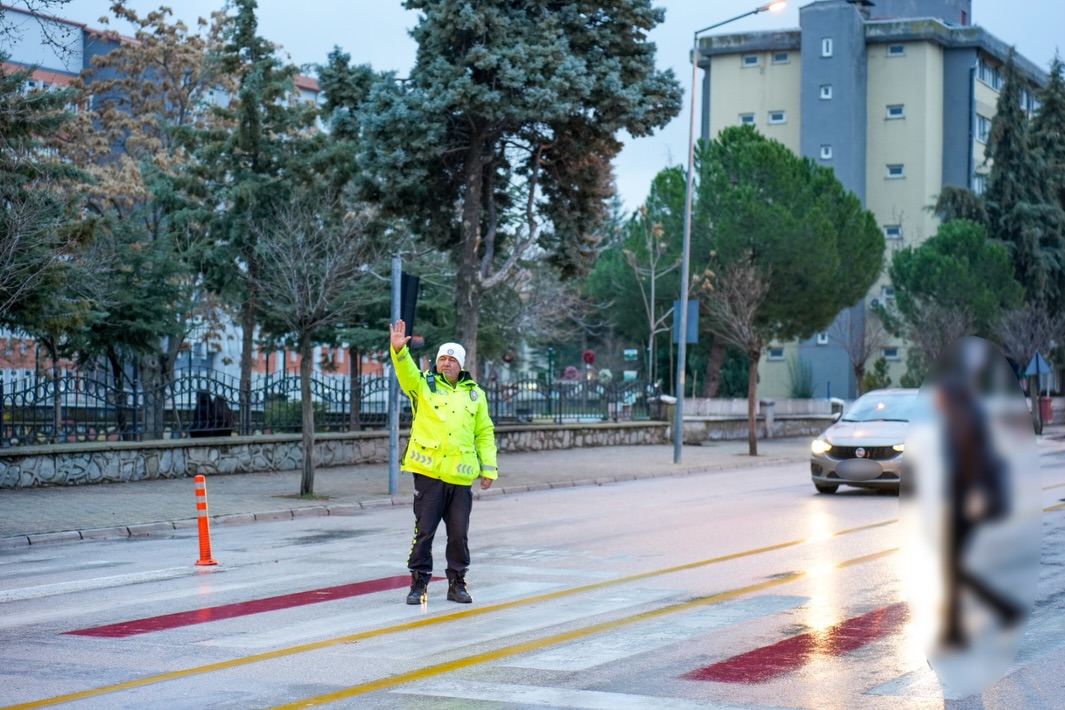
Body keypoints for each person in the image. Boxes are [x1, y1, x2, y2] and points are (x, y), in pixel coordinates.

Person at [389, 319, 498, 604]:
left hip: (460, 478)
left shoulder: (475, 395)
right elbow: (406, 374)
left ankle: (457, 583)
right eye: (442, 359)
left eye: (451, 360)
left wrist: (488, 468)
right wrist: (400, 352)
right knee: (424, 532)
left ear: (460, 365)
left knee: (458, 535)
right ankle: (418, 583)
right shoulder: (423, 386)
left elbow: (484, 432)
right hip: (429, 474)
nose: (445, 363)